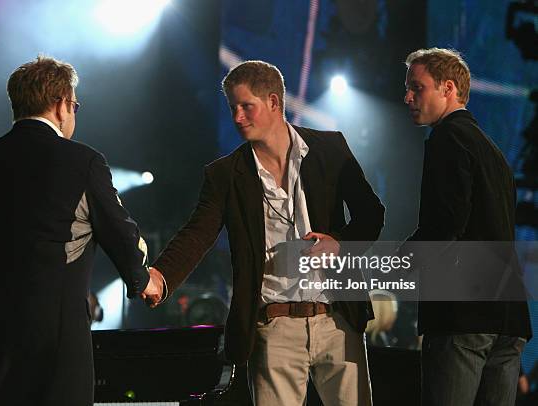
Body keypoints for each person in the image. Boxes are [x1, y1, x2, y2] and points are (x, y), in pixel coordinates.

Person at [147, 60, 384, 405]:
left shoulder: (330, 149)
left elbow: (371, 213)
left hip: (337, 320)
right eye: (233, 108)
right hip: (273, 328)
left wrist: (340, 244)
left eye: (247, 107)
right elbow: (197, 233)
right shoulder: (226, 174)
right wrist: (161, 275)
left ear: (274, 102)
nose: (237, 117)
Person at [0, 55, 162, 406]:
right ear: (60, 105)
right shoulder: (82, 162)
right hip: (52, 351)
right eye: (74, 105)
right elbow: (122, 233)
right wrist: (143, 279)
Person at [402, 48, 532, 406]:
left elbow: (445, 226)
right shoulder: (493, 151)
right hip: (507, 317)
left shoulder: (448, 138)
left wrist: (393, 266)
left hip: (463, 315)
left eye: (417, 87)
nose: (407, 97)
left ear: (448, 88)